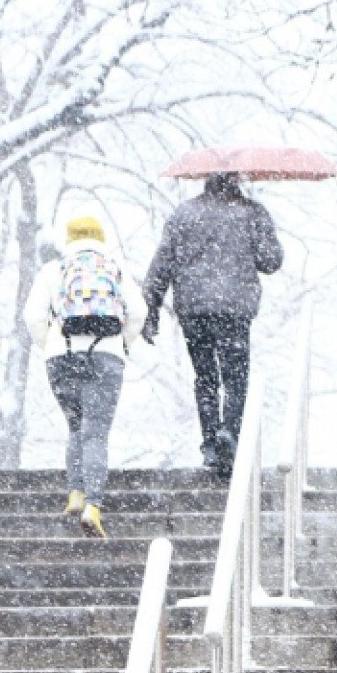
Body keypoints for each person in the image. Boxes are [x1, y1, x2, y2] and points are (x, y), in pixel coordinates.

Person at [141, 173, 284, 476]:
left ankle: (209, 441)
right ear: (236, 181)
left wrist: (151, 309)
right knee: (235, 377)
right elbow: (271, 261)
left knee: (205, 376)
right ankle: (229, 434)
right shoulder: (251, 212)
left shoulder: (183, 214)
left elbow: (162, 264)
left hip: (194, 309)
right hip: (233, 309)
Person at [25, 215, 148, 538]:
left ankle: (75, 493)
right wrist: (122, 343)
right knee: (95, 432)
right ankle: (93, 505)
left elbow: (33, 315)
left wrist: (50, 345)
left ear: (69, 238)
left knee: (76, 426)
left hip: (60, 358)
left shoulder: (54, 269)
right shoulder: (113, 267)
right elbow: (139, 312)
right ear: (100, 237)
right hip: (106, 356)